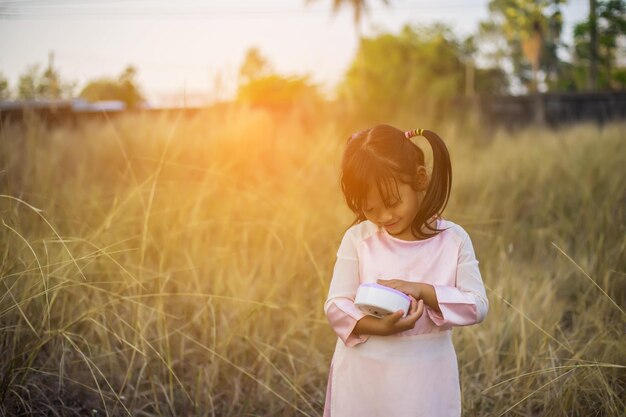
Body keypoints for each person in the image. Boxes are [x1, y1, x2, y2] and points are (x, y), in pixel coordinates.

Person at [323, 124, 489, 417]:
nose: (383, 217)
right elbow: (336, 305)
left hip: (425, 377)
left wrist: (424, 292)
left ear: (420, 179)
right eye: (369, 210)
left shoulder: (453, 240)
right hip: (363, 373)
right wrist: (378, 327)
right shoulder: (359, 239)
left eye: (392, 203)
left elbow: (477, 305)